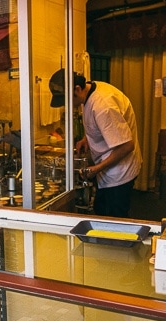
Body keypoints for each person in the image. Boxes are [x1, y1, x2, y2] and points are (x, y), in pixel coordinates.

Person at [49, 68, 142, 218]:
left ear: (77, 89)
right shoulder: (90, 91)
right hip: (107, 171)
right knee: (100, 212)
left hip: (118, 174)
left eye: (67, 100)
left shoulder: (103, 106)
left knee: (114, 221)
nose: (67, 105)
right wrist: (87, 138)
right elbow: (103, 125)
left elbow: (126, 146)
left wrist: (96, 168)